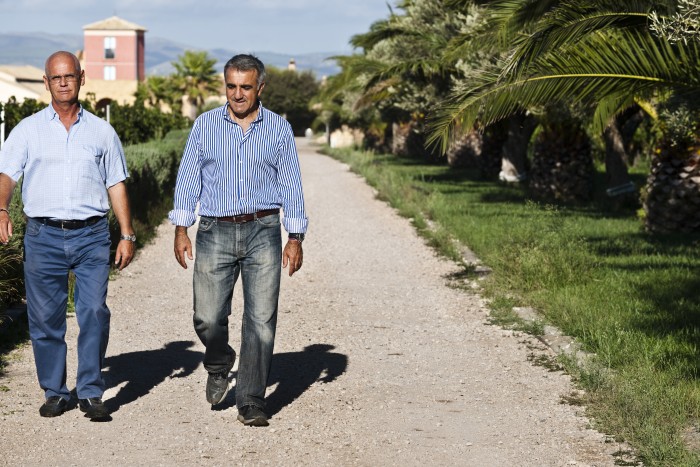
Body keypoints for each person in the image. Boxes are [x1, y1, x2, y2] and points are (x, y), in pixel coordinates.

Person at [170, 54, 307, 427]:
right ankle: (218, 362)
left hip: (263, 230)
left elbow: (291, 185)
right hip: (214, 231)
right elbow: (188, 179)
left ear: (260, 87)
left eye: (246, 87)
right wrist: (182, 228)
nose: (237, 94)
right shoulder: (205, 125)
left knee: (261, 320)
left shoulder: (279, 129)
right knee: (208, 317)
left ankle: (250, 399)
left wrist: (295, 236)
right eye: (231, 86)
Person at [0, 51, 135, 421]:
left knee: (93, 311)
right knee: (45, 318)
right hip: (42, 235)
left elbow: (116, 183)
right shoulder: (27, 130)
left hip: (91, 235)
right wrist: (1, 208)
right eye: (56, 77)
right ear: (46, 82)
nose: (63, 82)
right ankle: (56, 392)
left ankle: (90, 391)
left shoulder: (102, 132)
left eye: (69, 76)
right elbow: (6, 175)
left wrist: (127, 234)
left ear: (81, 78)